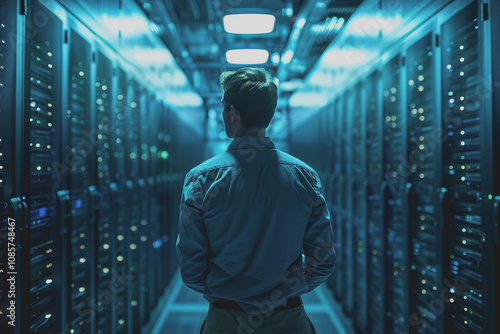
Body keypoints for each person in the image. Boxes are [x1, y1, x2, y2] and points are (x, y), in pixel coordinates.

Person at [176, 67, 336, 334]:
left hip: (225, 321)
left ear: (233, 113)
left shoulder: (201, 179)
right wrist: (284, 294)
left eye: (224, 107)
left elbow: (191, 268)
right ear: (270, 113)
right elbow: (322, 261)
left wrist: (226, 295)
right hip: (289, 320)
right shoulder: (305, 176)